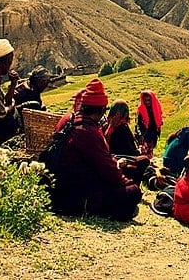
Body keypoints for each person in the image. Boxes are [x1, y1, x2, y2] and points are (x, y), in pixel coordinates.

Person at [49, 79, 142, 221]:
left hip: (59, 185)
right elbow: (109, 171)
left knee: (131, 169)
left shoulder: (68, 118)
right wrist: (127, 183)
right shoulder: (88, 131)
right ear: (101, 110)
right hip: (75, 194)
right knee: (133, 192)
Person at [104, 100, 152, 185]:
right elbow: (131, 151)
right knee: (145, 160)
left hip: (109, 160)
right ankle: (133, 184)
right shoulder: (122, 128)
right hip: (121, 161)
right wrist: (139, 151)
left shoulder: (106, 124)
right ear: (126, 114)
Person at [136, 90, 164, 159]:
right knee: (144, 151)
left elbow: (159, 118)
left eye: (149, 100)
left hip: (153, 132)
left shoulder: (156, 107)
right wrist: (141, 135)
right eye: (145, 100)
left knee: (151, 149)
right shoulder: (141, 109)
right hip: (145, 133)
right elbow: (138, 124)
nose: (147, 102)